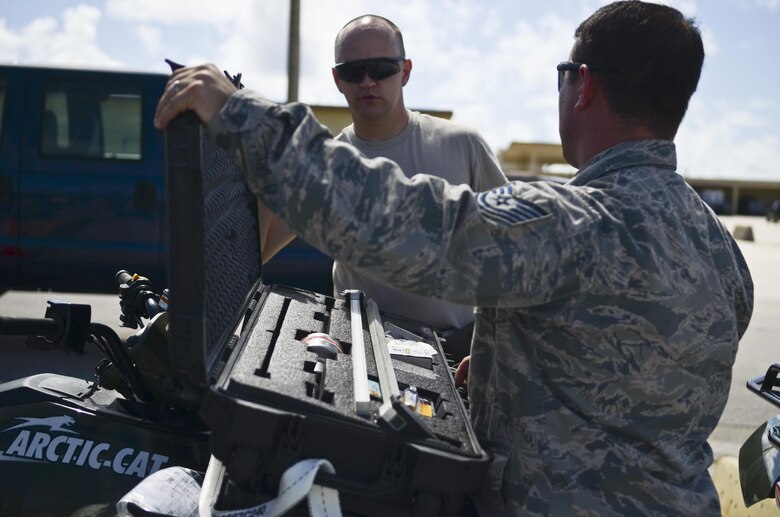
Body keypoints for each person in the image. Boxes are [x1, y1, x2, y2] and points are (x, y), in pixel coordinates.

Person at [154, 1, 754, 514]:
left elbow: (410, 227)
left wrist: (241, 116)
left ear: (585, 85)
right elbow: (625, 358)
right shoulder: (718, 244)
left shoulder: (573, 222)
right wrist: (500, 369)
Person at [260, 15, 507, 356]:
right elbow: (257, 250)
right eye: (352, 71)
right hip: (363, 354)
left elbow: (517, 248)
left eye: (380, 69)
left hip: (457, 352)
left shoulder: (463, 145)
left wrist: (492, 345)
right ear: (337, 79)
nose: (366, 81)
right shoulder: (323, 167)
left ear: (405, 71)